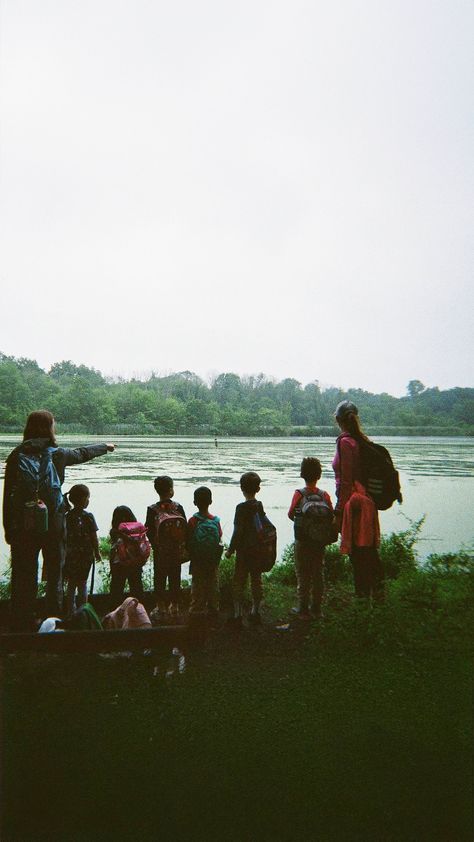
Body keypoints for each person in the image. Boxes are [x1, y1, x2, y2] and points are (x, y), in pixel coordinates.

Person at [2, 409, 115, 631]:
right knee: (55, 572)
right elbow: (82, 453)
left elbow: (7, 497)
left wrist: (9, 528)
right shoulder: (58, 454)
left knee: (23, 573)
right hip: (53, 523)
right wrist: (105, 447)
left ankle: (22, 621)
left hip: (24, 526)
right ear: (49, 429)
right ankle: (53, 619)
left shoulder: (16, 456)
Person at [332, 400, 383, 599]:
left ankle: (363, 601)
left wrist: (338, 511)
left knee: (358, 555)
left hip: (354, 504)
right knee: (368, 552)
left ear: (337, 420)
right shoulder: (360, 440)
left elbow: (346, 481)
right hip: (367, 501)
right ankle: (378, 598)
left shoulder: (345, 442)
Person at [288, 457, 334, 619]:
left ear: (302, 474)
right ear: (319, 475)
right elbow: (331, 516)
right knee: (317, 572)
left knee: (302, 572)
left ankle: (303, 609)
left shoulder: (299, 494)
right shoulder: (325, 495)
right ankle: (317, 608)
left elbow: (290, 514)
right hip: (319, 541)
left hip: (302, 539)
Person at [225, 471, 265, 626]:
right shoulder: (259, 505)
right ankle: (255, 611)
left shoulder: (241, 508)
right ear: (258, 489)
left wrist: (230, 550)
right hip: (257, 549)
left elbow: (238, 531)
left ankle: (237, 614)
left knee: (239, 582)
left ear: (241, 488)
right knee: (256, 580)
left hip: (243, 551)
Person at [145, 475, 187, 617]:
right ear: (171, 490)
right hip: (176, 550)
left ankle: (161, 607)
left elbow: (148, 531)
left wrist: (156, 546)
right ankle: (174, 606)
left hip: (160, 551)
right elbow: (185, 528)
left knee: (160, 578)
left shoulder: (152, 509)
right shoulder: (178, 507)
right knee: (175, 578)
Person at [63, 484, 100, 615]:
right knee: (83, 583)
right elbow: (94, 537)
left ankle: (70, 611)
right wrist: (97, 552)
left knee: (71, 584)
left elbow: (64, 537)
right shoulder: (88, 517)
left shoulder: (67, 517)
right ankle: (83, 612)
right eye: (88, 498)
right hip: (85, 556)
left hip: (71, 556)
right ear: (84, 499)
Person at [187, 486, 223, 621]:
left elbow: (188, 540)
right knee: (213, 586)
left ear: (195, 502)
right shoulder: (216, 521)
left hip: (197, 561)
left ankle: (196, 613)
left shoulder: (193, 521)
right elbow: (219, 536)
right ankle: (213, 612)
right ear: (211, 501)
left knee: (197, 587)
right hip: (212, 561)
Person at [109, 505, 145, 607]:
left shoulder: (114, 531)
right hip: (135, 562)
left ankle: (115, 611)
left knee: (117, 589)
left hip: (119, 563)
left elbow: (113, 551)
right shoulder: (137, 530)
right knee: (136, 587)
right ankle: (139, 610)